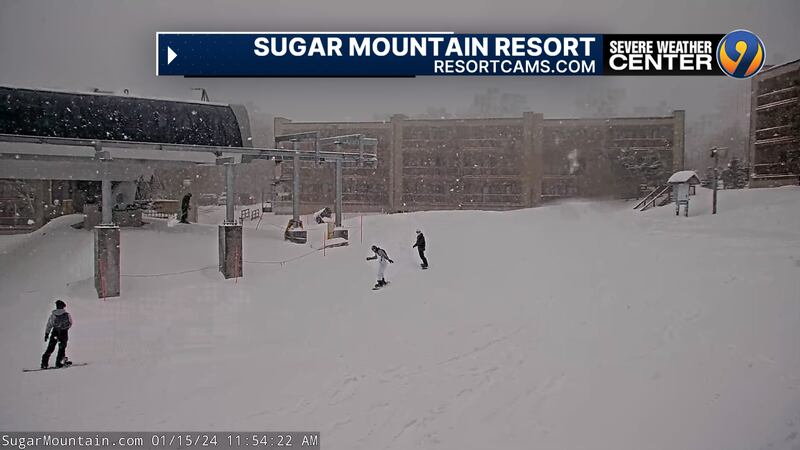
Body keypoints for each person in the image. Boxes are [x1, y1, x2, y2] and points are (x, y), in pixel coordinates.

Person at [41, 300, 72, 369]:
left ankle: (44, 363)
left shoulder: (53, 315)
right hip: (64, 332)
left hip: (55, 332)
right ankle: (59, 362)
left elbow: (49, 324)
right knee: (62, 348)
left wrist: (47, 333)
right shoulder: (67, 314)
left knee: (50, 348)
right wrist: (65, 328)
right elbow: (70, 323)